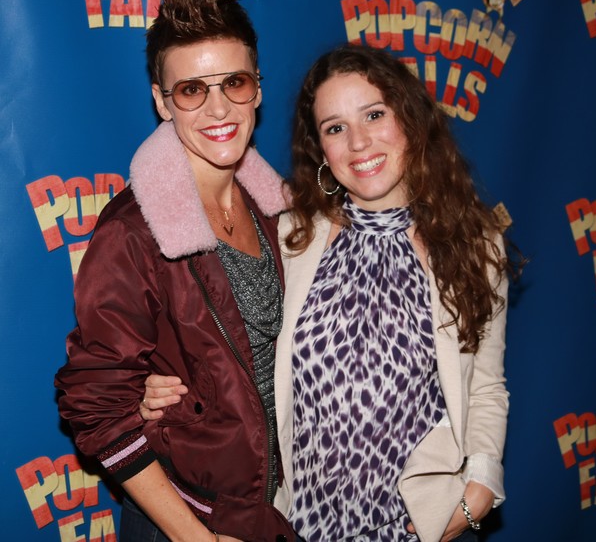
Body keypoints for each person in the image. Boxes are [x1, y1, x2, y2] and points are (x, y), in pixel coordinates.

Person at [141, 44, 518, 542]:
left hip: (414, 525)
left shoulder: (476, 247)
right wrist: (159, 387)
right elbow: (229, 341)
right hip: (302, 524)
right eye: (335, 128)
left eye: (375, 115)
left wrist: (482, 485)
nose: (358, 143)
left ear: (411, 119)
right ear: (321, 149)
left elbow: (486, 386)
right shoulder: (292, 235)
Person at [55, 0, 295, 542]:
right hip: (188, 522)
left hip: (280, 511)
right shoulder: (132, 234)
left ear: (257, 88)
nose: (218, 109)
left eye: (234, 83)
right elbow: (94, 404)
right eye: (191, 90)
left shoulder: (279, 210)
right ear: (162, 102)